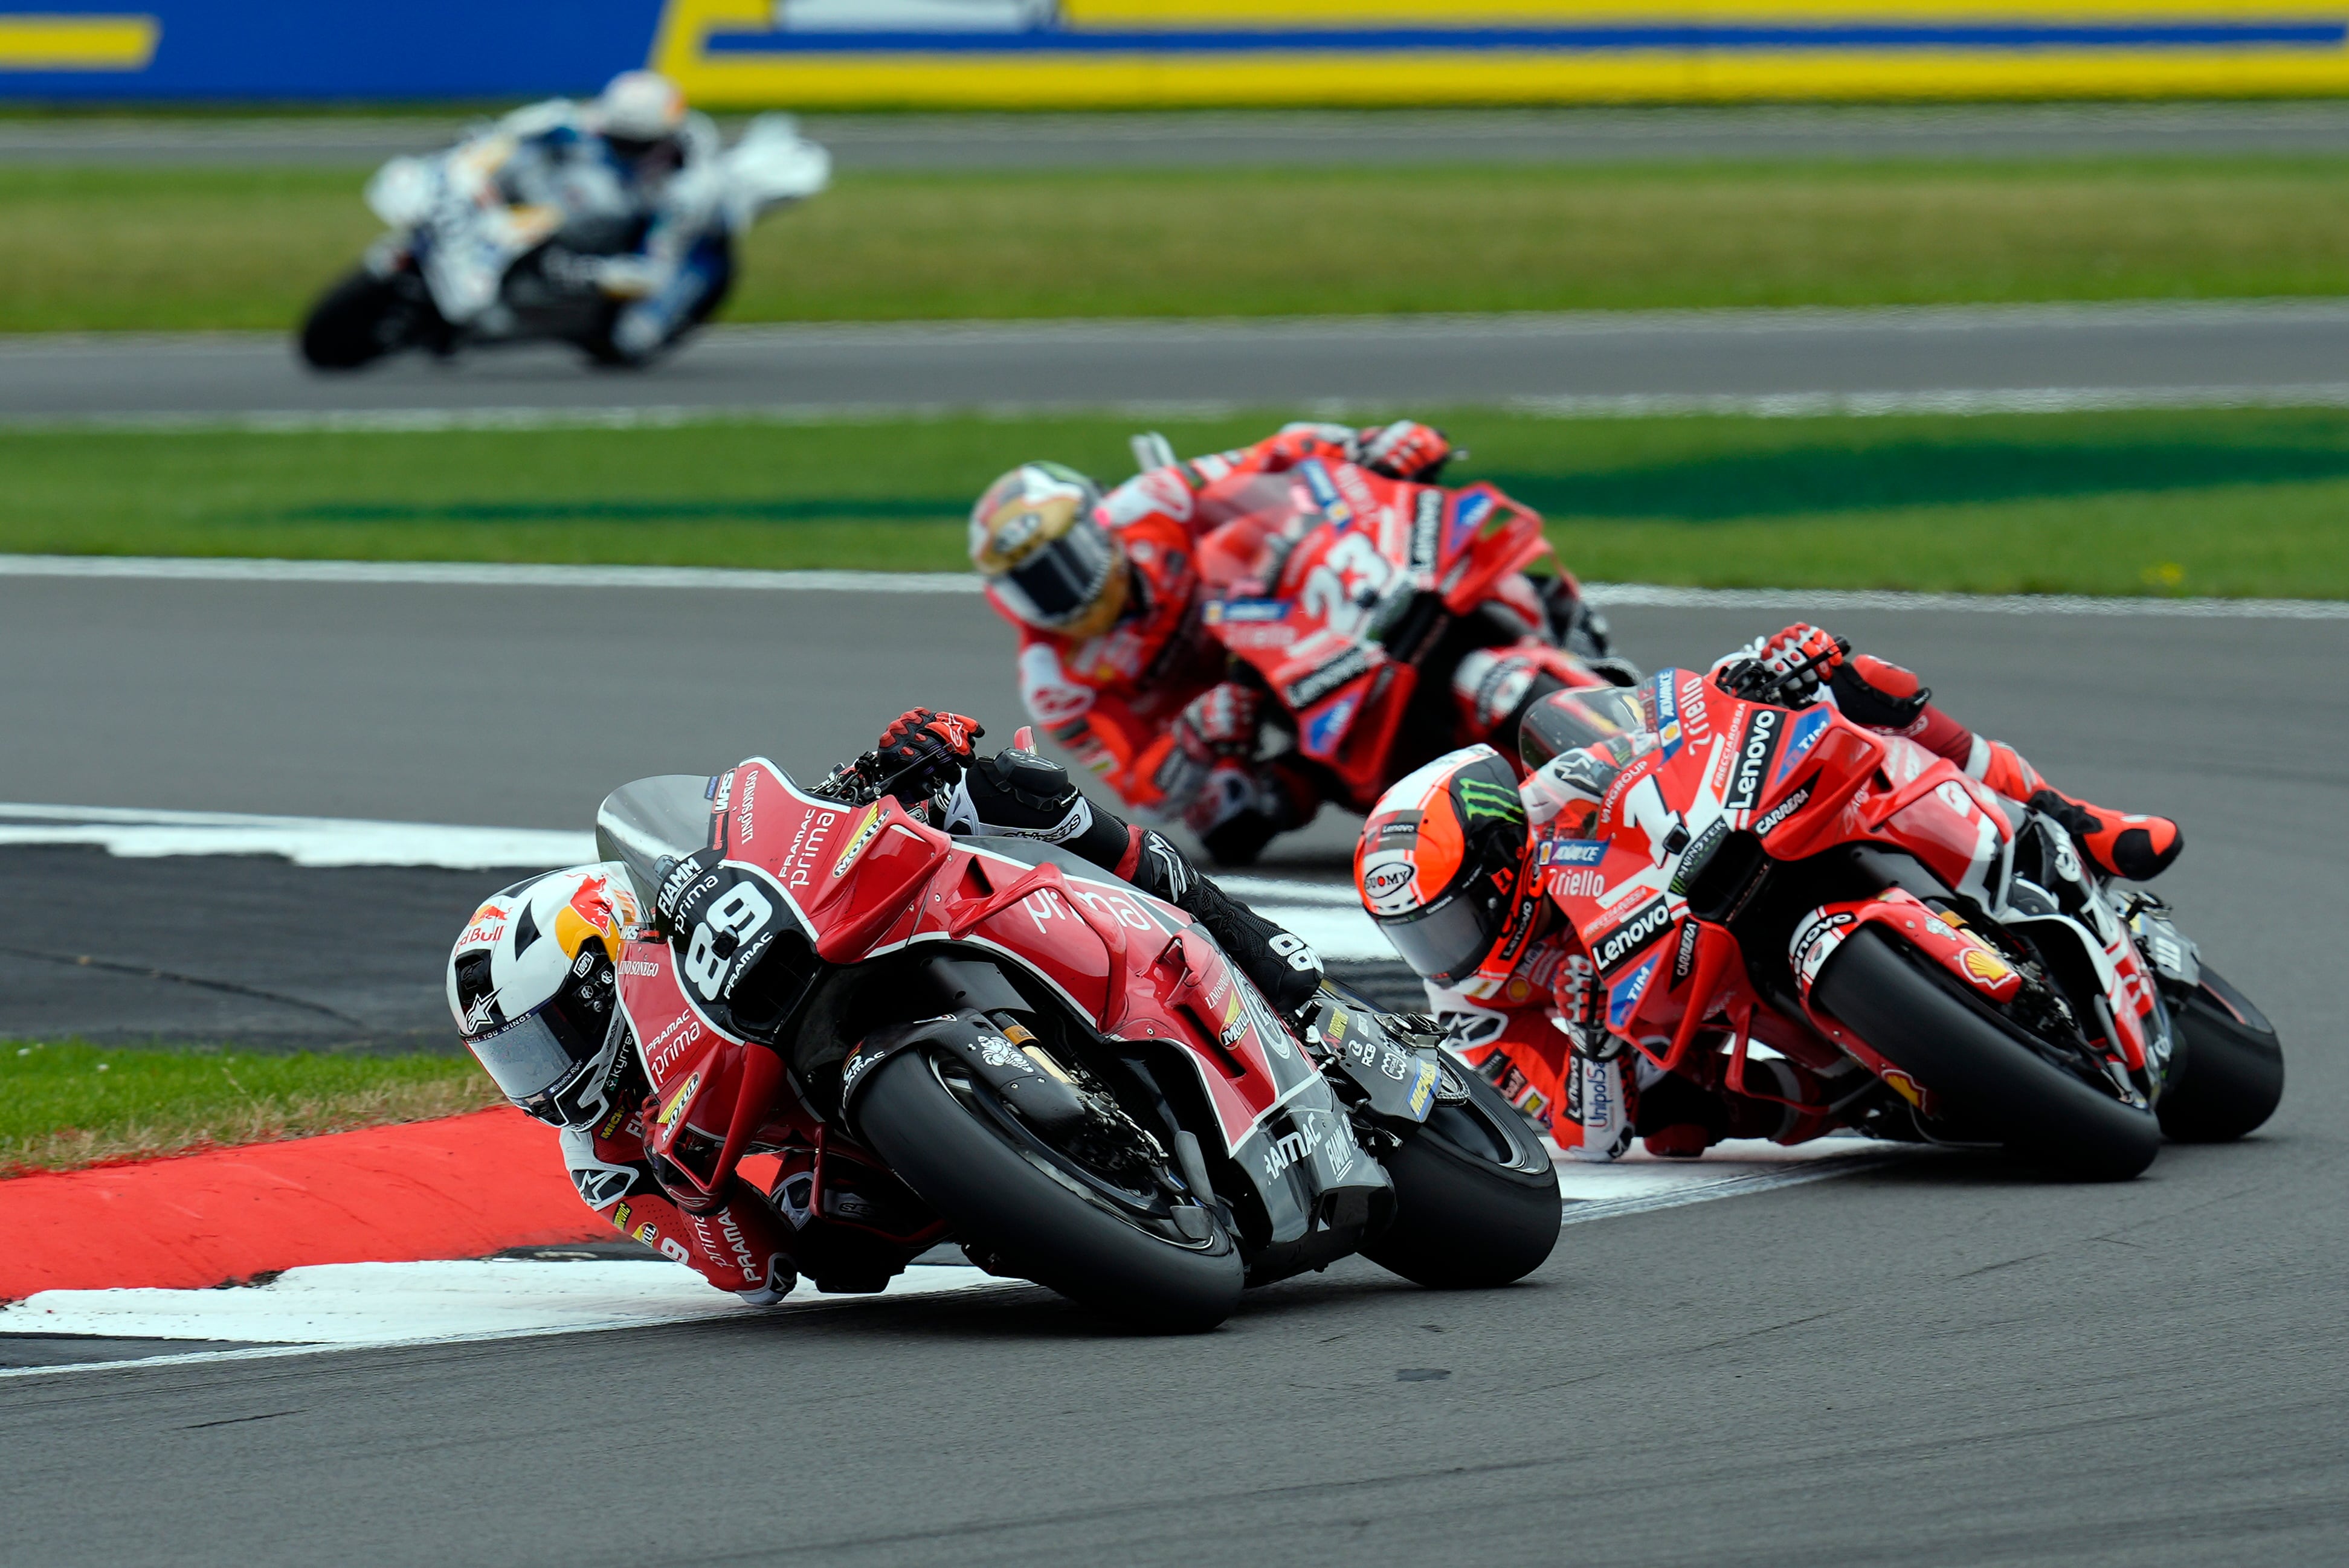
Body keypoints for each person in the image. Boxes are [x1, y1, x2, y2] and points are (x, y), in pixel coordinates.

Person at [446, 708, 1323, 1302]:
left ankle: (1243, 941)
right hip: (843, 1128)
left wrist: (878, 770)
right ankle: (1060, 1201)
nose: (547, 1082)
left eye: (549, 1041)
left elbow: (790, 836)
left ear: (604, 973)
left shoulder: (688, 920)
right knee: (831, 1240)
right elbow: (755, 1275)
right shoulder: (604, 1156)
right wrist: (702, 1204)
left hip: (882, 954)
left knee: (1014, 790)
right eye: (515, 1062)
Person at [1352, 623, 2183, 1163]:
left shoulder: (1559, 784)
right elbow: (1586, 1136)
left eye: (1454, 916)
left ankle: (2073, 819)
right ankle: (1864, 1090)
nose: (1444, 951)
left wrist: (1752, 675)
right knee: (1676, 1122)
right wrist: (1600, 1044)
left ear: (1507, 866)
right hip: (1681, 1013)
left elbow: (1666, 718)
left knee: (1863, 687)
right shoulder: (1473, 1004)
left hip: (1722, 862)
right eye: (1422, 933)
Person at [970, 420, 1606, 863]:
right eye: (1035, 583)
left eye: (1066, 558)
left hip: (1309, 613)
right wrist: (1194, 733)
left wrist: (1365, 446)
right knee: (1237, 809)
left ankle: (1564, 629)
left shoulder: (1155, 501)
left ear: (1096, 522)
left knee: (1475, 549)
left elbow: (1275, 456)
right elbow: (1144, 789)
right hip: (1259, 709)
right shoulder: (1056, 681)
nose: (1064, 590)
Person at [445, 69, 732, 362]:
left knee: (629, 344)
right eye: (616, 139)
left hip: (677, 251)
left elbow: (654, 273)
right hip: (605, 211)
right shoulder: (596, 120)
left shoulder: (689, 191)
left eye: (636, 145)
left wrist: (576, 272)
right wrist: (490, 139)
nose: (622, 150)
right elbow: (547, 118)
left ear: (664, 139)